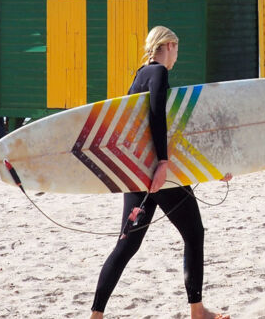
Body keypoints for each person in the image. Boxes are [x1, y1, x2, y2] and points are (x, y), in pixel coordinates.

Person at [90, 26, 230, 319]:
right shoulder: (158, 74)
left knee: (127, 245)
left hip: (138, 173)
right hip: (157, 174)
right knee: (194, 234)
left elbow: (150, 130)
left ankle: (96, 315)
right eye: (176, 50)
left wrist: (207, 169)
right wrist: (164, 164)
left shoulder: (139, 76)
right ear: (168, 45)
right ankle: (197, 311)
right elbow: (157, 118)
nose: (176, 57)